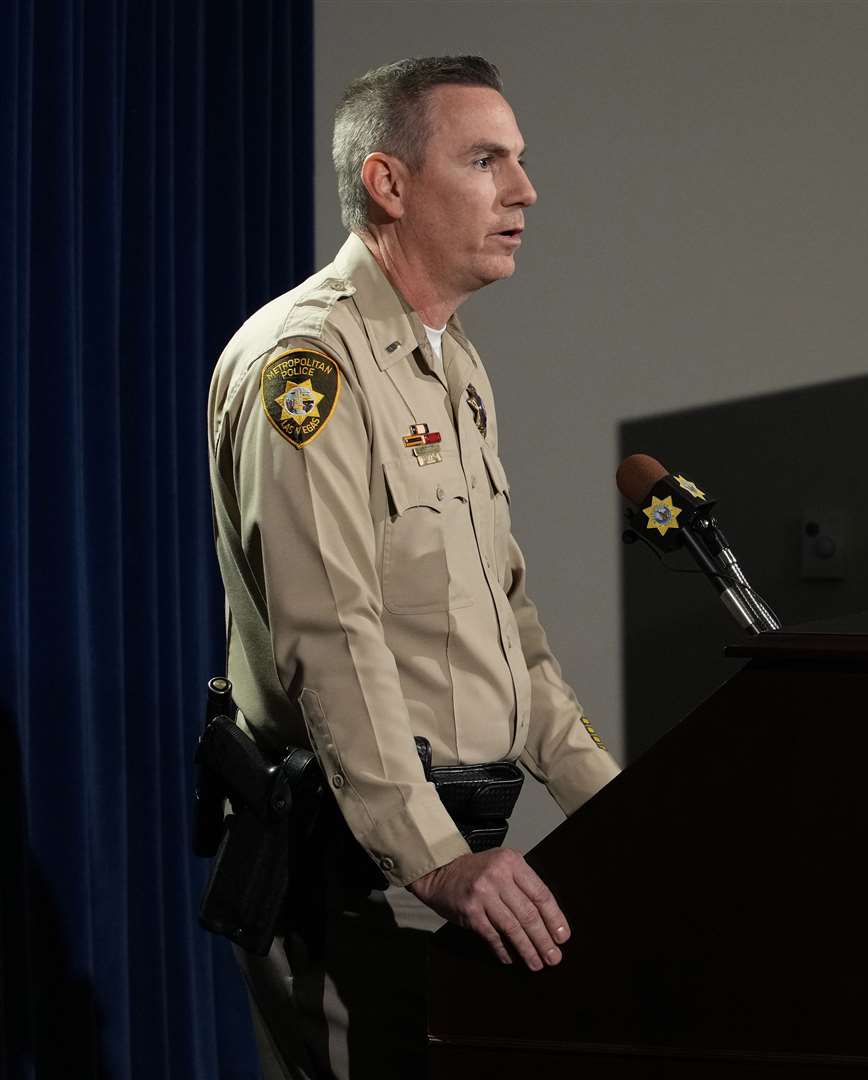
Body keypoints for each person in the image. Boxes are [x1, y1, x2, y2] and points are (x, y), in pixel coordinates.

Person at [206, 56, 620, 1079]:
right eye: (486, 160)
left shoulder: (452, 362)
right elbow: (329, 641)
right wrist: (433, 857)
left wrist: (617, 810)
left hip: (449, 859)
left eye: (518, 161)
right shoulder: (308, 366)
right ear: (388, 185)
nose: (523, 190)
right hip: (361, 872)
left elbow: (510, 631)